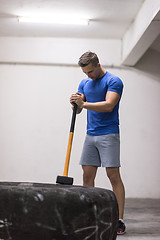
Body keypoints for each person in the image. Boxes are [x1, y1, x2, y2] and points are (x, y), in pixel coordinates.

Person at [70, 51, 126, 235]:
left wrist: (83, 104)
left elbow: (109, 105)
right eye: (85, 73)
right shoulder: (85, 83)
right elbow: (78, 110)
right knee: (87, 175)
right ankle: (89, 216)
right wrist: (75, 104)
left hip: (109, 134)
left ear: (98, 65)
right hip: (90, 135)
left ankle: (118, 220)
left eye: (90, 72)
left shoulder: (113, 81)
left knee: (113, 175)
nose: (88, 76)